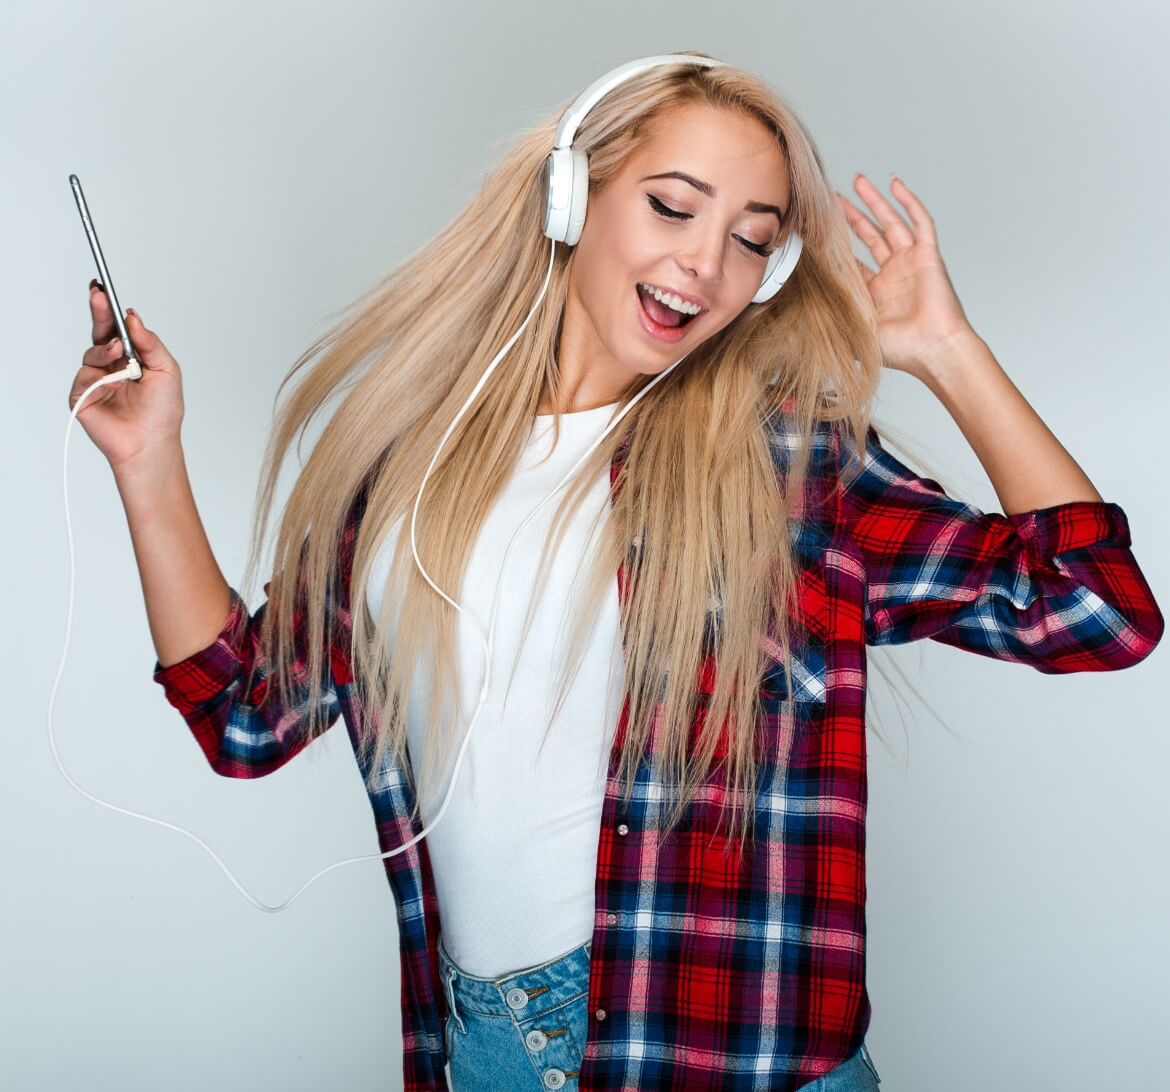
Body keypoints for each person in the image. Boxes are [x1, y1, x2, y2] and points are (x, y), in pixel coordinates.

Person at [68, 51, 1163, 1092]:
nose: (705, 263)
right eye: (673, 207)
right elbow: (247, 718)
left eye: (752, 240)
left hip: (725, 1055)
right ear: (570, 198)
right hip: (482, 1049)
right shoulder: (408, 464)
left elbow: (1095, 608)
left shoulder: (781, 466)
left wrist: (947, 350)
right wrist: (150, 461)